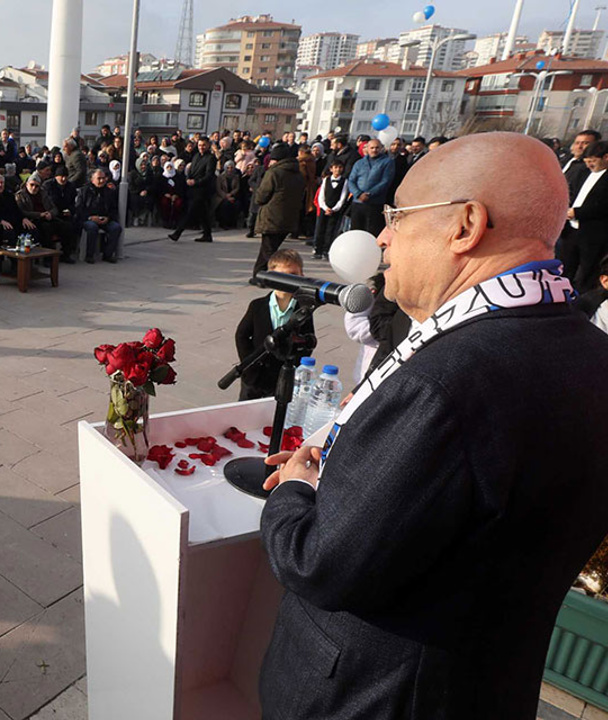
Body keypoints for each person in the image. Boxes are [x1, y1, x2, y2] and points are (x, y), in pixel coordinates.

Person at [258, 132, 608, 720]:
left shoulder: (448, 380)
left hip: (373, 696)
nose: (383, 236)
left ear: (465, 226)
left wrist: (296, 486)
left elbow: (321, 563)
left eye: (396, 216)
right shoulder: (592, 354)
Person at [233, 249, 313, 400]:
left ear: (302, 276)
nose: (288, 281)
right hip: (255, 378)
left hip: (283, 377)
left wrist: (294, 364)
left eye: (293, 275)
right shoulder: (257, 306)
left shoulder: (303, 310)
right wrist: (249, 366)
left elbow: (308, 341)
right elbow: (241, 335)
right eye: (282, 276)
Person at [250, 145, 306, 281]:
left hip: (272, 218)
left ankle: (271, 278)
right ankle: (259, 276)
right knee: (268, 249)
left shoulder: (274, 173)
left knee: (268, 251)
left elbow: (261, 197)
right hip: (289, 218)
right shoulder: (298, 174)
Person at [561, 140, 608, 292]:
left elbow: (603, 206)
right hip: (572, 230)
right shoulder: (584, 172)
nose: (589, 165)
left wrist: (579, 212)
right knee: (565, 265)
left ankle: (580, 300)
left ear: (606, 157)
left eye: (593, 161)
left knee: (587, 271)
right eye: (587, 161)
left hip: (593, 234)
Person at [15, 173, 76, 262]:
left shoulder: (43, 194)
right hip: (33, 220)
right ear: (27, 184)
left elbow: (54, 208)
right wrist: (39, 215)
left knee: (67, 226)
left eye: (37, 186)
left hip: (47, 217)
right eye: (32, 185)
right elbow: (21, 212)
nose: (34, 188)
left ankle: (65, 254)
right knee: (46, 229)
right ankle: (48, 258)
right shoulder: (20, 195)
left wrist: (50, 214)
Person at [170, 136, 217, 242]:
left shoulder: (210, 158)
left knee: (189, 212)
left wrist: (196, 182)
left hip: (202, 190)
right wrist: (188, 179)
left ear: (208, 145)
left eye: (204, 145)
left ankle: (177, 233)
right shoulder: (196, 156)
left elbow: (209, 175)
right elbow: (190, 170)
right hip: (192, 188)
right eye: (200, 145)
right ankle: (207, 234)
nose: (201, 147)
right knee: (202, 212)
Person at [347, 138, 393, 235]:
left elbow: (385, 181)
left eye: (377, 148)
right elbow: (351, 180)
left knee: (372, 231)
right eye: (372, 148)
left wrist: (369, 194)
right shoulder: (359, 163)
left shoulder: (387, 162)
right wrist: (358, 194)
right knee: (356, 231)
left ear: (381, 148)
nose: (374, 150)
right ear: (367, 149)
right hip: (357, 203)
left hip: (375, 203)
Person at [74, 168, 121, 263]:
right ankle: (89, 255)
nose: (102, 181)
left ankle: (108, 254)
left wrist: (108, 218)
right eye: (99, 178)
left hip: (104, 218)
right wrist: (90, 217)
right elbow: (79, 209)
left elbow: (113, 209)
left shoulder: (109, 192)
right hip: (89, 218)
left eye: (103, 178)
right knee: (92, 227)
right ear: (92, 179)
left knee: (116, 228)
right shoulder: (84, 191)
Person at [313, 158, 350, 259]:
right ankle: (317, 249)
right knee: (320, 228)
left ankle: (326, 250)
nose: (337, 170)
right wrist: (325, 207)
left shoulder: (344, 181)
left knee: (331, 230)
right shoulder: (326, 180)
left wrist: (334, 209)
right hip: (324, 209)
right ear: (331, 169)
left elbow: (343, 197)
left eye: (340, 167)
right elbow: (321, 196)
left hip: (335, 210)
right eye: (335, 167)